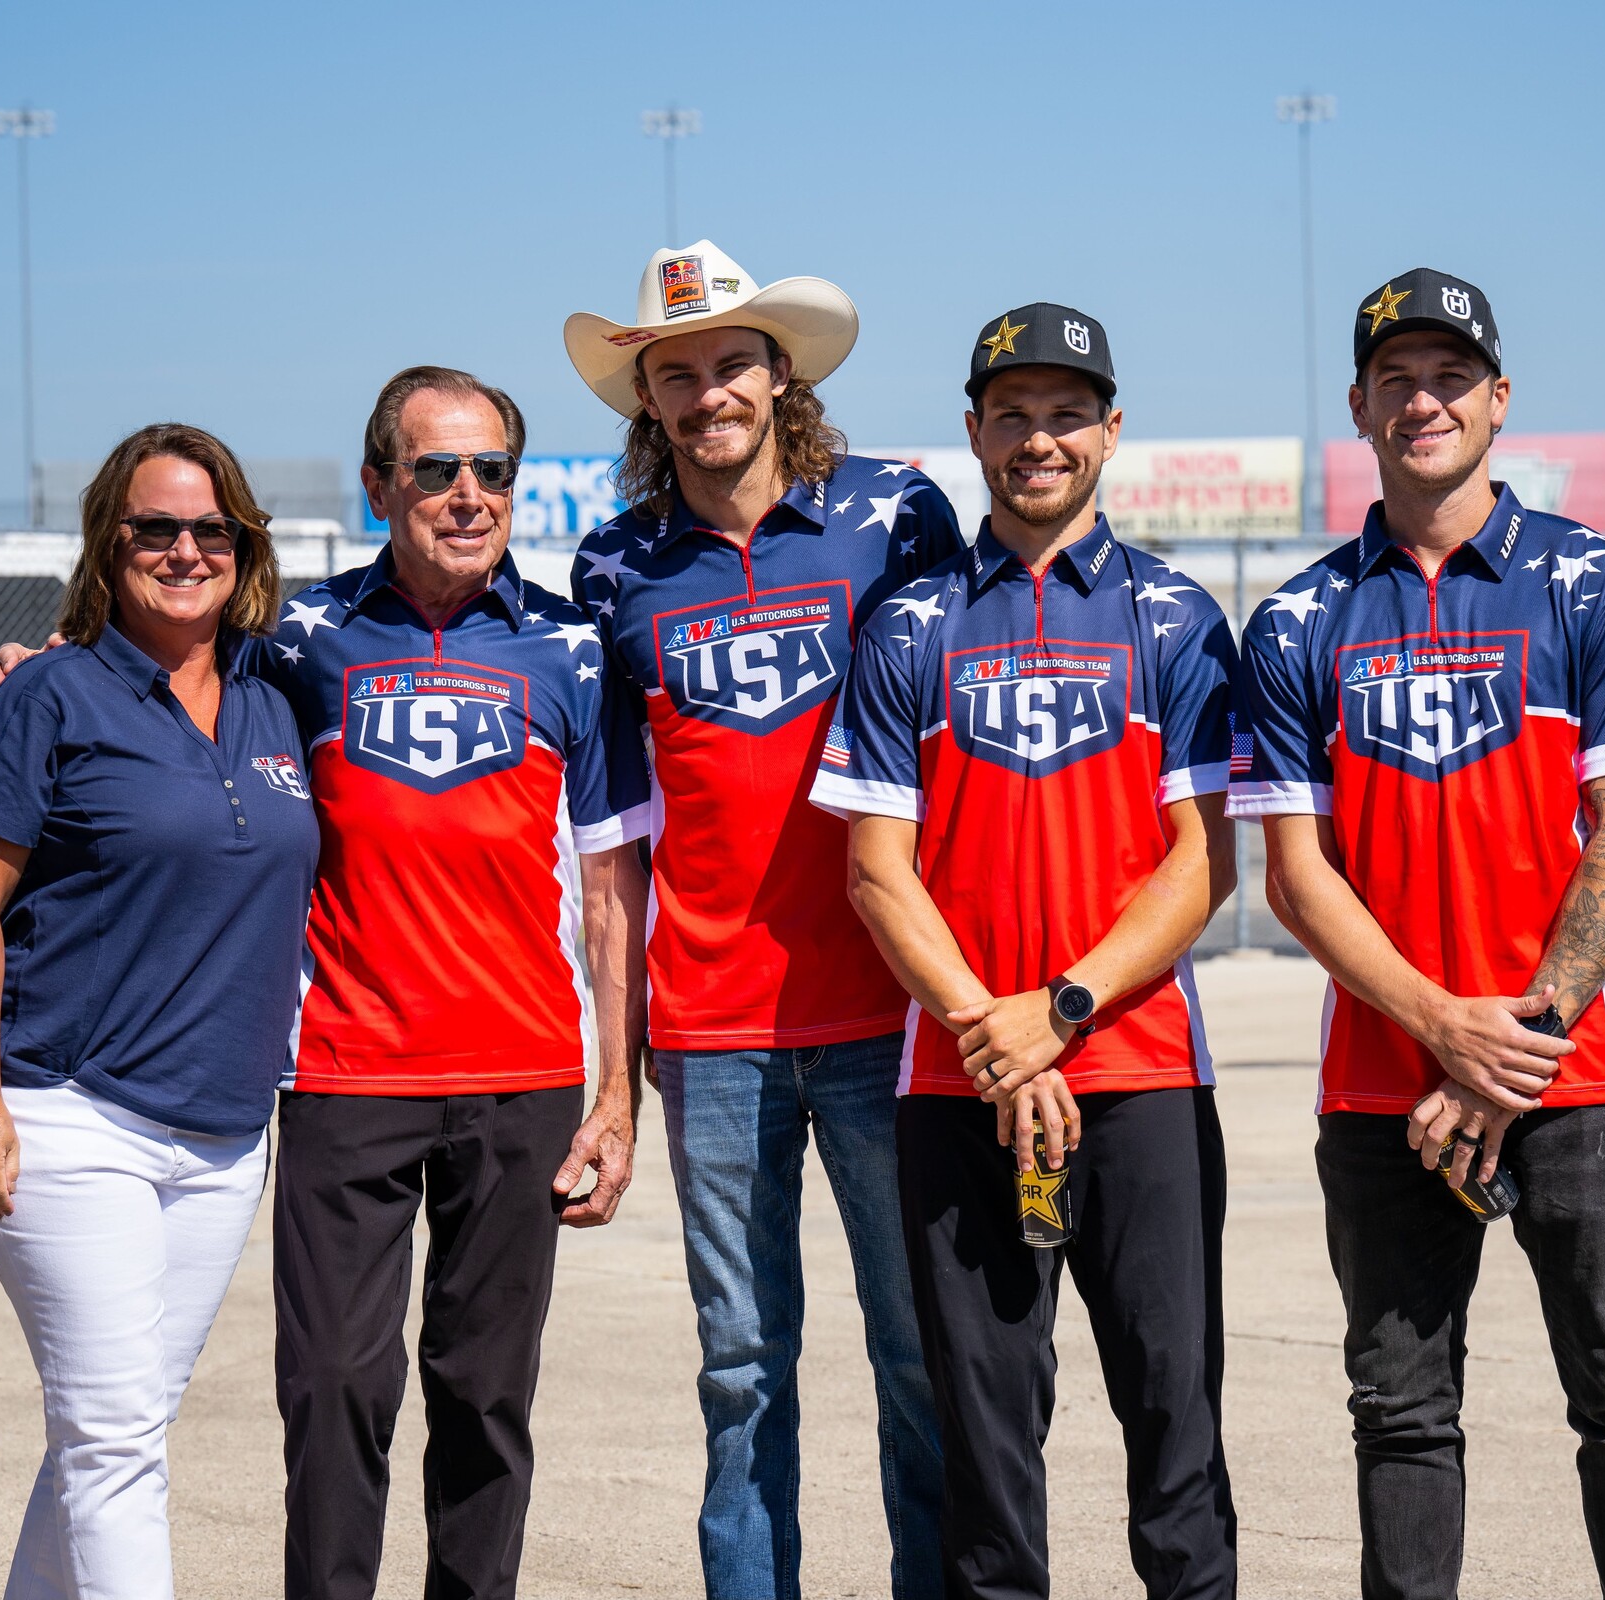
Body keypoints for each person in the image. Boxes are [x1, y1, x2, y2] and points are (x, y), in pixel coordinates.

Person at [0, 367, 647, 1600]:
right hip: (346, 1075)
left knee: (485, 1398)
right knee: (336, 1387)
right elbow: (157, 664)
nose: (466, 494)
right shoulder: (299, 641)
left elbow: (612, 888)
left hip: (527, 1079)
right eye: (436, 468)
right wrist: (44, 667)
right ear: (381, 482)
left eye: (490, 470)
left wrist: (619, 1093)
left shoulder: (574, 650)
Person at [1230, 270, 1605, 1600]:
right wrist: (1444, 1030)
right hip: (1386, 1081)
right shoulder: (1300, 618)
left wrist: (1521, 1042)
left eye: (1451, 376)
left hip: (1580, 1079)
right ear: (1359, 408)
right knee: (1402, 1415)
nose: (1423, 398)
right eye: (1397, 378)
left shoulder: (1593, 583)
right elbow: (1296, 878)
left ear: (1501, 400)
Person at [811, 304, 1243, 1600]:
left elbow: (1204, 858)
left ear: (1112, 430)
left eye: (1067, 413)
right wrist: (991, 1039)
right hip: (958, 1092)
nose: (1039, 437)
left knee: (1176, 1439)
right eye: (1013, 412)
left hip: (1144, 1081)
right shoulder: (908, 625)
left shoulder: (1176, 617)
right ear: (973, 432)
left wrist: (1059, 1010)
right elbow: (876, 871)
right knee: (988, 1469)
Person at [563, 242, 960, 1598]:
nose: (706, 391)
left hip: (886, 1016)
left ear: (779, 372)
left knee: (920, 1355)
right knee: (741, 1366)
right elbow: (610, 852)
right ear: (647, 402)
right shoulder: (614, 570)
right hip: (714, 1033)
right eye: (675, 372)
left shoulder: (899, 518)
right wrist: (614, 1078)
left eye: (730, 361)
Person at [0, 424, 320, 1599]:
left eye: (212, 529)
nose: (185, 549)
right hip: (66, 1115)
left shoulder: (278, 692)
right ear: (110, 542)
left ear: (245, 545)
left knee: (114, 1427)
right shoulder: (51, 692)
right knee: (115, 1444)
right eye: (156, 527)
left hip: (221, 1132)